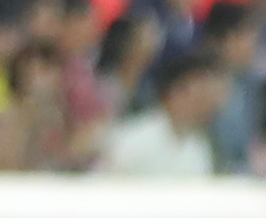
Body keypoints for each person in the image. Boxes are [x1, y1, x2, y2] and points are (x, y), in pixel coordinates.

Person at [96, 51, 229, 176]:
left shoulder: (198, 147)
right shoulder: (133, 139)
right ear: (175, 91)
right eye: (200, 93)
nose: (206, 103)